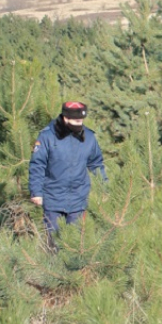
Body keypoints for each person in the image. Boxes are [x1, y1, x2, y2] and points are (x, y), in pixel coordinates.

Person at [28, 101, 106, 249]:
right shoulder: (47, 136)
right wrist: (36, 192)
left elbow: (96, 164)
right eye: (76, 121)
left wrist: (104, 189)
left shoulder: (89, 137)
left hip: (79, 199)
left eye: (81, 121)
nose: (80, 124)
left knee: (76, 246)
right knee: (54, 246)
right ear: (65, 118)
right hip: (53, 198)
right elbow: (37, 164)